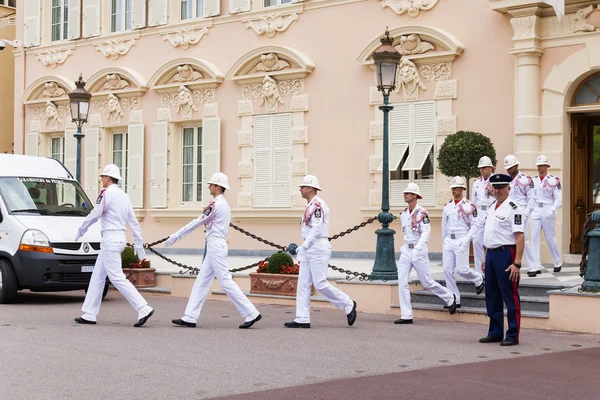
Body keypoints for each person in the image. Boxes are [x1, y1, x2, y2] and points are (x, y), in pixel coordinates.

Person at [166, 173, 262, 329]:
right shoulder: (222, 204)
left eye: (211, 184)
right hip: (214, 246)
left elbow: (198, 221)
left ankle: (251, 312)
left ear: (218, 187)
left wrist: (176, 236)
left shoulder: (216, 204)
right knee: (202, 281)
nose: (209, 186)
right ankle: (190, 316)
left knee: (225, 281)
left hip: (215, 246)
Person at [74, 164, 154, 327]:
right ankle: (90, 313)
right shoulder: (124, 196)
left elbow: (95, 214)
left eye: (102, 176)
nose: (101, 179)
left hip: (110, 240)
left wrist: (81, 230)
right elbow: (134, 222)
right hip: (118, 239)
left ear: (108, 178)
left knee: (117, 277)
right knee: (98, 276)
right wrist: (139, 248)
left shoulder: (106, 194)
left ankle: (143, 307)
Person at [284, 175, 357, 329]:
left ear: (310, 188)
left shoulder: (318, 205)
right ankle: (302, 318)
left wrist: (304, 246)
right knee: (303, 284)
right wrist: (304, 247)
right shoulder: (310, 205)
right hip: (309, 248)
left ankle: (347, 303)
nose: (300, 189)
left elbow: (317, 228)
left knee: (320, 283)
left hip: (317, 248)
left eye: (303, 187)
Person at [395, 182, 457, 325]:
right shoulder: (404, 214)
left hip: (419, 250)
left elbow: (426, 232)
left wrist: (417, 248)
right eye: (405, 193)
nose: (405, 195)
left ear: (415, 196)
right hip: (406, 250)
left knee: (427, 281)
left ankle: (449, 297)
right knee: (402, 281)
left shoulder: (423, 213)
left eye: (408, 193)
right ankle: (406, 315)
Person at [479, 173, 524, 346]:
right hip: (491, 254)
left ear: (508, 188)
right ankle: (495, 331)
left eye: (501, 187)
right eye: (495, 188)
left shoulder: (514, 208)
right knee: (492, 295)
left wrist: (517, 263)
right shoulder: (493, 207)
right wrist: (484, 257)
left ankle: (512, 334)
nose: (497, 191)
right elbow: (489, 233)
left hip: (506, 254)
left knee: (509, 295)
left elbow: (520, 237)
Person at [442, 177, 485, 308]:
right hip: (449, 240)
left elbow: (475, 224)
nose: (454, 190)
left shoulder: (469, 206)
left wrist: (467, 240)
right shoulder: (447, 207)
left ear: (463, 189)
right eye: (452, 188)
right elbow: (444, 227)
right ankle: (454, 298)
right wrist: (444, 243)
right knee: (447, 270)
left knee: (462, 270)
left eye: (457, 187)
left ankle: (478, 279)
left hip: (462, 238)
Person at [504, 155, 537, 276]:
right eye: (507, 168)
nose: (509, 170)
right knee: (509, 239)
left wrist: (526, 213)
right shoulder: (505, 180)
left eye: (511, 167)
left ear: (516, 166)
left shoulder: (526, 179)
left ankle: (533, 266)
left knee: (524, 239)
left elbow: (532, 198)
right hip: (508, 212)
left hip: (521, 211)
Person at [530, 155, 563, 273]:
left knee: (550, 238)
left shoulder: (553, 180)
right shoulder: (533, 180)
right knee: (533, 237)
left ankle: (557, 261)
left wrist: (553, 209)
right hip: (536, 210)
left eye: (541, 165)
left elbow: (558, 198)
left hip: (548, 209)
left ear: (547, 166)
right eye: (538, 165)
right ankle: (536, 265)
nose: (539, 167)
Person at [471, 156, 496, 274]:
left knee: (491, 241)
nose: (482, 170)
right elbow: (473, 202)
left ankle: (492, 270)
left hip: (491, 212)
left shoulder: (496, 181)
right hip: (480, 214)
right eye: (481, 168)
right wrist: (473, 218)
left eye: (484, 167)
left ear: (491, 168)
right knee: (477, 241)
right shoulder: (476, 183)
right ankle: (479, 273)